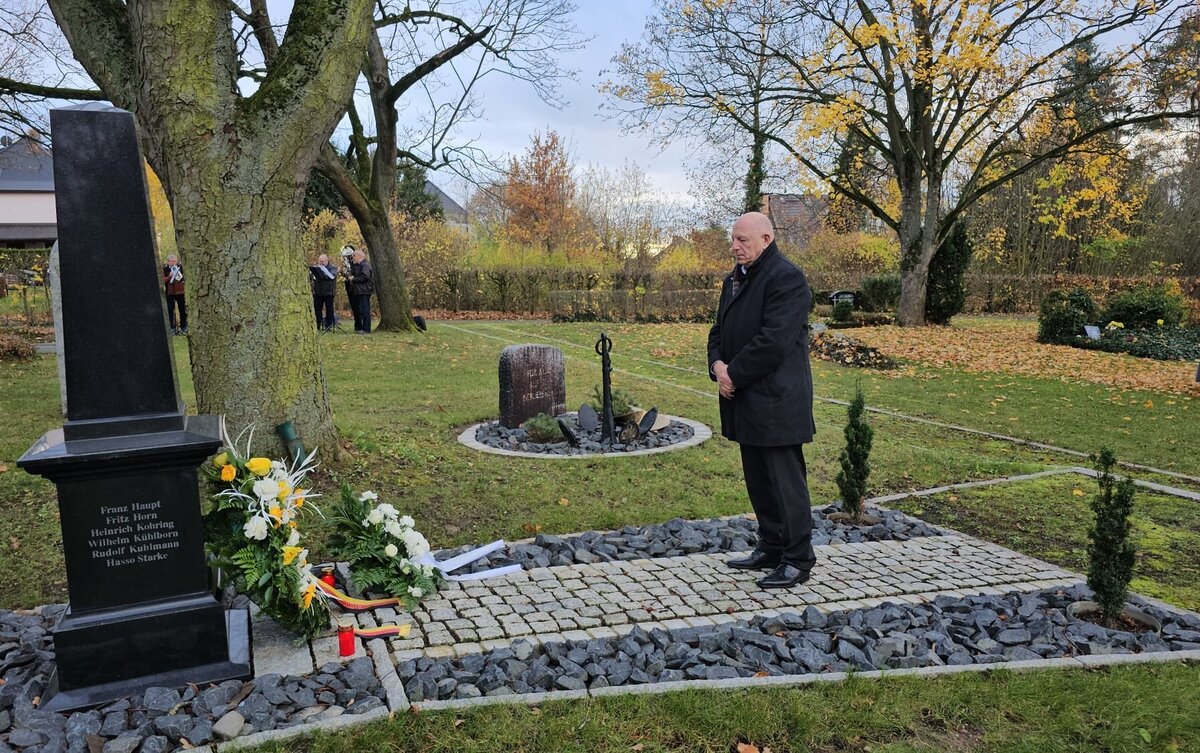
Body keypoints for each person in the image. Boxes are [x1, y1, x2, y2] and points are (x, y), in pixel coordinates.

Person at [707, 211, 816, 589]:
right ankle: (771, 545)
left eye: (743, 240)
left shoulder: (786, 278)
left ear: (767, 239)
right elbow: (718, 330)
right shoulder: (733, 280)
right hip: (745, 399)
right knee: (758, 479)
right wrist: (718, 365)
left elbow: (774, 341)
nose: (735, 246)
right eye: (733, 240)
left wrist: (732, 374)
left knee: (785, 483)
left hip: (777, 401)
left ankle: (798, 558)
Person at [347, 248, 375, 334]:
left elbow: (365, 277)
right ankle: (363, 328)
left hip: (364, 290)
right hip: (360, 290)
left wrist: (353, 279)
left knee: (365, 310)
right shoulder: (359, 266)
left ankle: (366, 329)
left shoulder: (365, 265)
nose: (353, 258)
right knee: (362, 310)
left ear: (359, 256)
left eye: (354, 256)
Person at [310, 253, 339, 330]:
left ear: (327, 260)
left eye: (322, 261)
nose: (321, 263)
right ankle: (317, 325)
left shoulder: (332, 268)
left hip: (328, 292)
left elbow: (331, 276)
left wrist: (322, 270)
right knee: (317, 308)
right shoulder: (317, 267)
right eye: (320, 261)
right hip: (318, 291)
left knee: (329, 309)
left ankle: (328, 325)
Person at [162, 254, 187, 335]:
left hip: (180, 293)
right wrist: (169, 277)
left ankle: (183, 326)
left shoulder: (181, 268)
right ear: (168, 261)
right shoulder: (164, 269)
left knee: (182, 310)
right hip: (170, 293)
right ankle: (172, 328)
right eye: (172, 261)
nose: (173, 263)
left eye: (175, 261)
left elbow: (185, 278)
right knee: (170, 310)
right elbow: (162, 280)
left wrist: (182, 276)